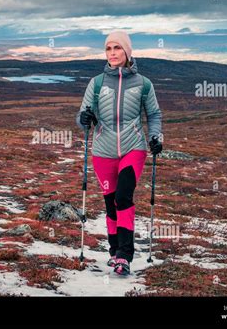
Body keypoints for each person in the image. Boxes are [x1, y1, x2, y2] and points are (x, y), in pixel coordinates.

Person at [75, 31, 163, 276]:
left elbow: (154, 115)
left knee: (124, 197)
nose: (112, 53)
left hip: (133, 147)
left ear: (127, 52)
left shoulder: (144, 84)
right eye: (108, 48)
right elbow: (82, 119)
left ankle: (125, 255)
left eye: (117, 48)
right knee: (111, 205)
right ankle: (114, 252)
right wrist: (84, 119)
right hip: (103, 152)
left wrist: (156, 137)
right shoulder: (97, 83)